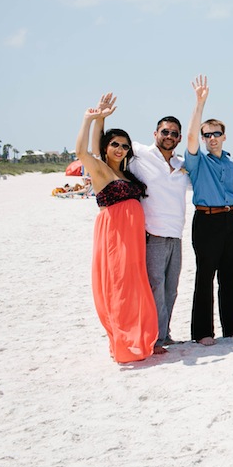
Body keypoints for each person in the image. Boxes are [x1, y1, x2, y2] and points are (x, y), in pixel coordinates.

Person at [95, 93, 188, 349]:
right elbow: (105, 149)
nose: (169, 136)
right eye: (165, 131)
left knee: (171, 289)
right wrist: (100, 118)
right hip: (152, 235)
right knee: (154, 287)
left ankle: (165, 333)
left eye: (174, 133)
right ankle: (155, 337)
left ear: (179, 138)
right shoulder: (139, 154)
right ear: (155, 133)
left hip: (176, 235)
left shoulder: (182, 165)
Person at [75, 96, 158, 363]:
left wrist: (103, 119)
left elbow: (101, 146)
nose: (120, 149)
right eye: (114, 145)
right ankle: (122, 342)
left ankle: (139, 338)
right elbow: (82, 153)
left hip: (133, 240)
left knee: (135, 285)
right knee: (119, 287)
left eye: (124, 145)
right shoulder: (100, 171)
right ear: (106, 148)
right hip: (115, 236)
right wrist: (91, 120)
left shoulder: (126, 173)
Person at [185, 75, 233, 346]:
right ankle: (203, 333)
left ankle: (232, 328)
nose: (211, 138)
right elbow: (190, 137)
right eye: (206, 134)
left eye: (216, 134)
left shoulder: (232, 164)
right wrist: (200, 103)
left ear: (223, 135)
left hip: (231, 219)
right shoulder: (198, 162)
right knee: (205, 277)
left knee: (231, 277)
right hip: (206, 221)